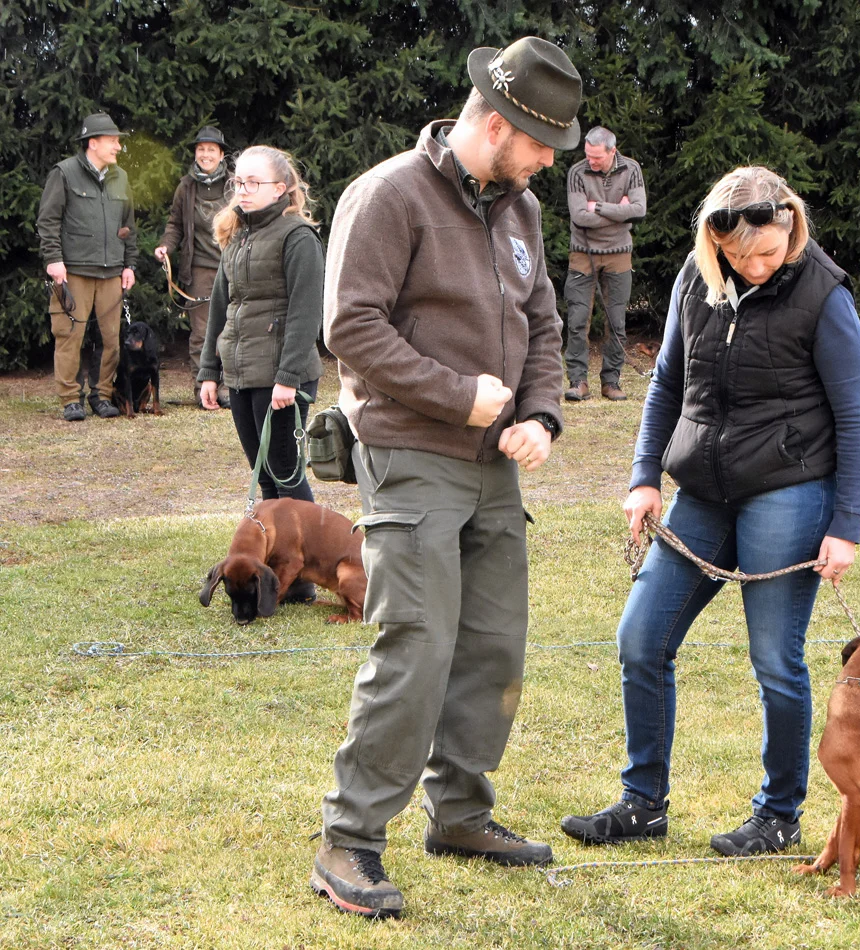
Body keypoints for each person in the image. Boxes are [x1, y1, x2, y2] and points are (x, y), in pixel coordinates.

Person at [312, 36, 582, 919]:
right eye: (543, 144)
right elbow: (350, 327)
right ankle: (349, 839)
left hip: (494, 466)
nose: (548, 162)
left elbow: (543, 323)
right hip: (409, 454)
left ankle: (460, 812)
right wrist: (457, 395)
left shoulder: (522, 210)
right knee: (418, 645)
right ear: (497, 124)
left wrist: (539, 416)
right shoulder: (387, 195)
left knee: (495, 645)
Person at [561, 166, 860, 857]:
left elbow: (855, 417)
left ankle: (778, 814)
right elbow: (667, 381)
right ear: (715, 240)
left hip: (790, 490)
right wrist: (645, 478)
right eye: (741, 257)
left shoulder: (825, 294)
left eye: (769, 253)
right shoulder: (693, 280)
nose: (757, 267)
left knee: (774, 658)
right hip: (702, 490)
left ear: (789, 225)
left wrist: (844, 526)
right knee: (640, 637)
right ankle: (643, 803)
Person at [196, 145, 323, 513]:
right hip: (240, 375)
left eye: (254, 182)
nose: (244, 190)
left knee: (286, 475)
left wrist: (288, 378)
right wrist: (209, 371)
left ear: (279, 188)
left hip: (281, 379)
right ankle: (283, 565)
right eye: (239, 182)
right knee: (264, 476)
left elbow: (306, 313)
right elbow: (221, 306)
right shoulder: (237, 236)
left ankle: (312, 561)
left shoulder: (298, 237)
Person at [37, 112, 138, 421]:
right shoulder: (64, 173)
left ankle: (102, 395)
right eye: (112, 141)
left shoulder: (121, 177)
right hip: (74, 272)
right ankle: (70, 399)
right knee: (69, 336)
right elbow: (48, 220)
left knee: (111, 339)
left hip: (111, 273)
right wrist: (53, 259)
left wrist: (129, 264)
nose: (118, 146)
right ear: (92, 143)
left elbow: (128, 226)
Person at [563, 126, 646, 402]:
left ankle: (611, 381)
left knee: (617, 322)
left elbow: (638, 210)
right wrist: (620, 213)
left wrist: (596, 207)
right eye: (588, 155)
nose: (591, 161)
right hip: (582, 252)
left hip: (619, 253)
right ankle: (578, 381)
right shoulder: (577, 172)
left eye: (596, 157)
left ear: (612, 151)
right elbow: (578, 217)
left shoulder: (631, 170)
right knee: (577, 320)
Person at [155, 125, 232, 408]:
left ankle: (227, 388)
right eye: (201, 149)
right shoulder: (186, 187)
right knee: (202, 333)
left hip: (231, 267)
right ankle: (203, 389)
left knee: (231, 329)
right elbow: (174, 224)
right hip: (199, 270)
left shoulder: (234, 185)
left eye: (211, 149)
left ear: (221, 154)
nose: (205, 154)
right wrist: (166, 246)